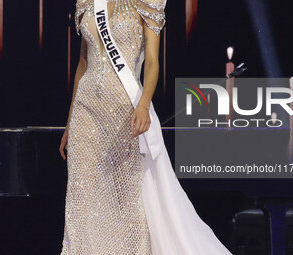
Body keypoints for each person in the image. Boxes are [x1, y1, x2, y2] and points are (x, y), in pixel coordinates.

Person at [59, 0, 233, 254]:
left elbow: (152, 63)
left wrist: (143, 106)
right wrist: (69, 121)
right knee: (81, 197)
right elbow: (83, 64)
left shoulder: (145, 2)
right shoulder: (86, 3)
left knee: (126, 199)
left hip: (124, 111)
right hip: (86, 113)